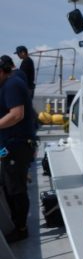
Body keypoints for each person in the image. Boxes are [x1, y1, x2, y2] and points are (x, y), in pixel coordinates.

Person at [0, 56, 37, 242]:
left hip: (16, 146)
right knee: (8, 186)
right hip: (7, 146)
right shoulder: (7, 83)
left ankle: (21, 229)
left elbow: (16, 115)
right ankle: (16, 224)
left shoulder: (12, 85)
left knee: (16, 189)